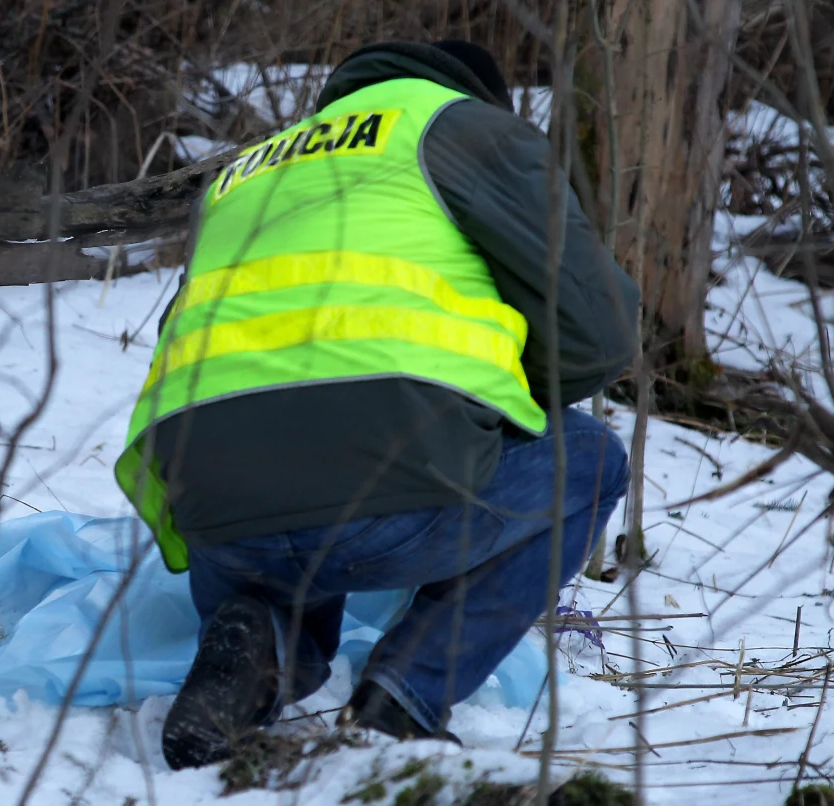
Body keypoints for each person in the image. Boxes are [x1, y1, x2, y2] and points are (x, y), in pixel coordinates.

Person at [113, 39, 639, 771]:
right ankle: (407, 693)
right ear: (484, 96)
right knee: (591, 461)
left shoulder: (246, 170)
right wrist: (490, 389)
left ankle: (257, 633)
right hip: (385, 492)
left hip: (216, 509)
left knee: (291, 489)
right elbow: (600, 333)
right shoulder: (464, 130)